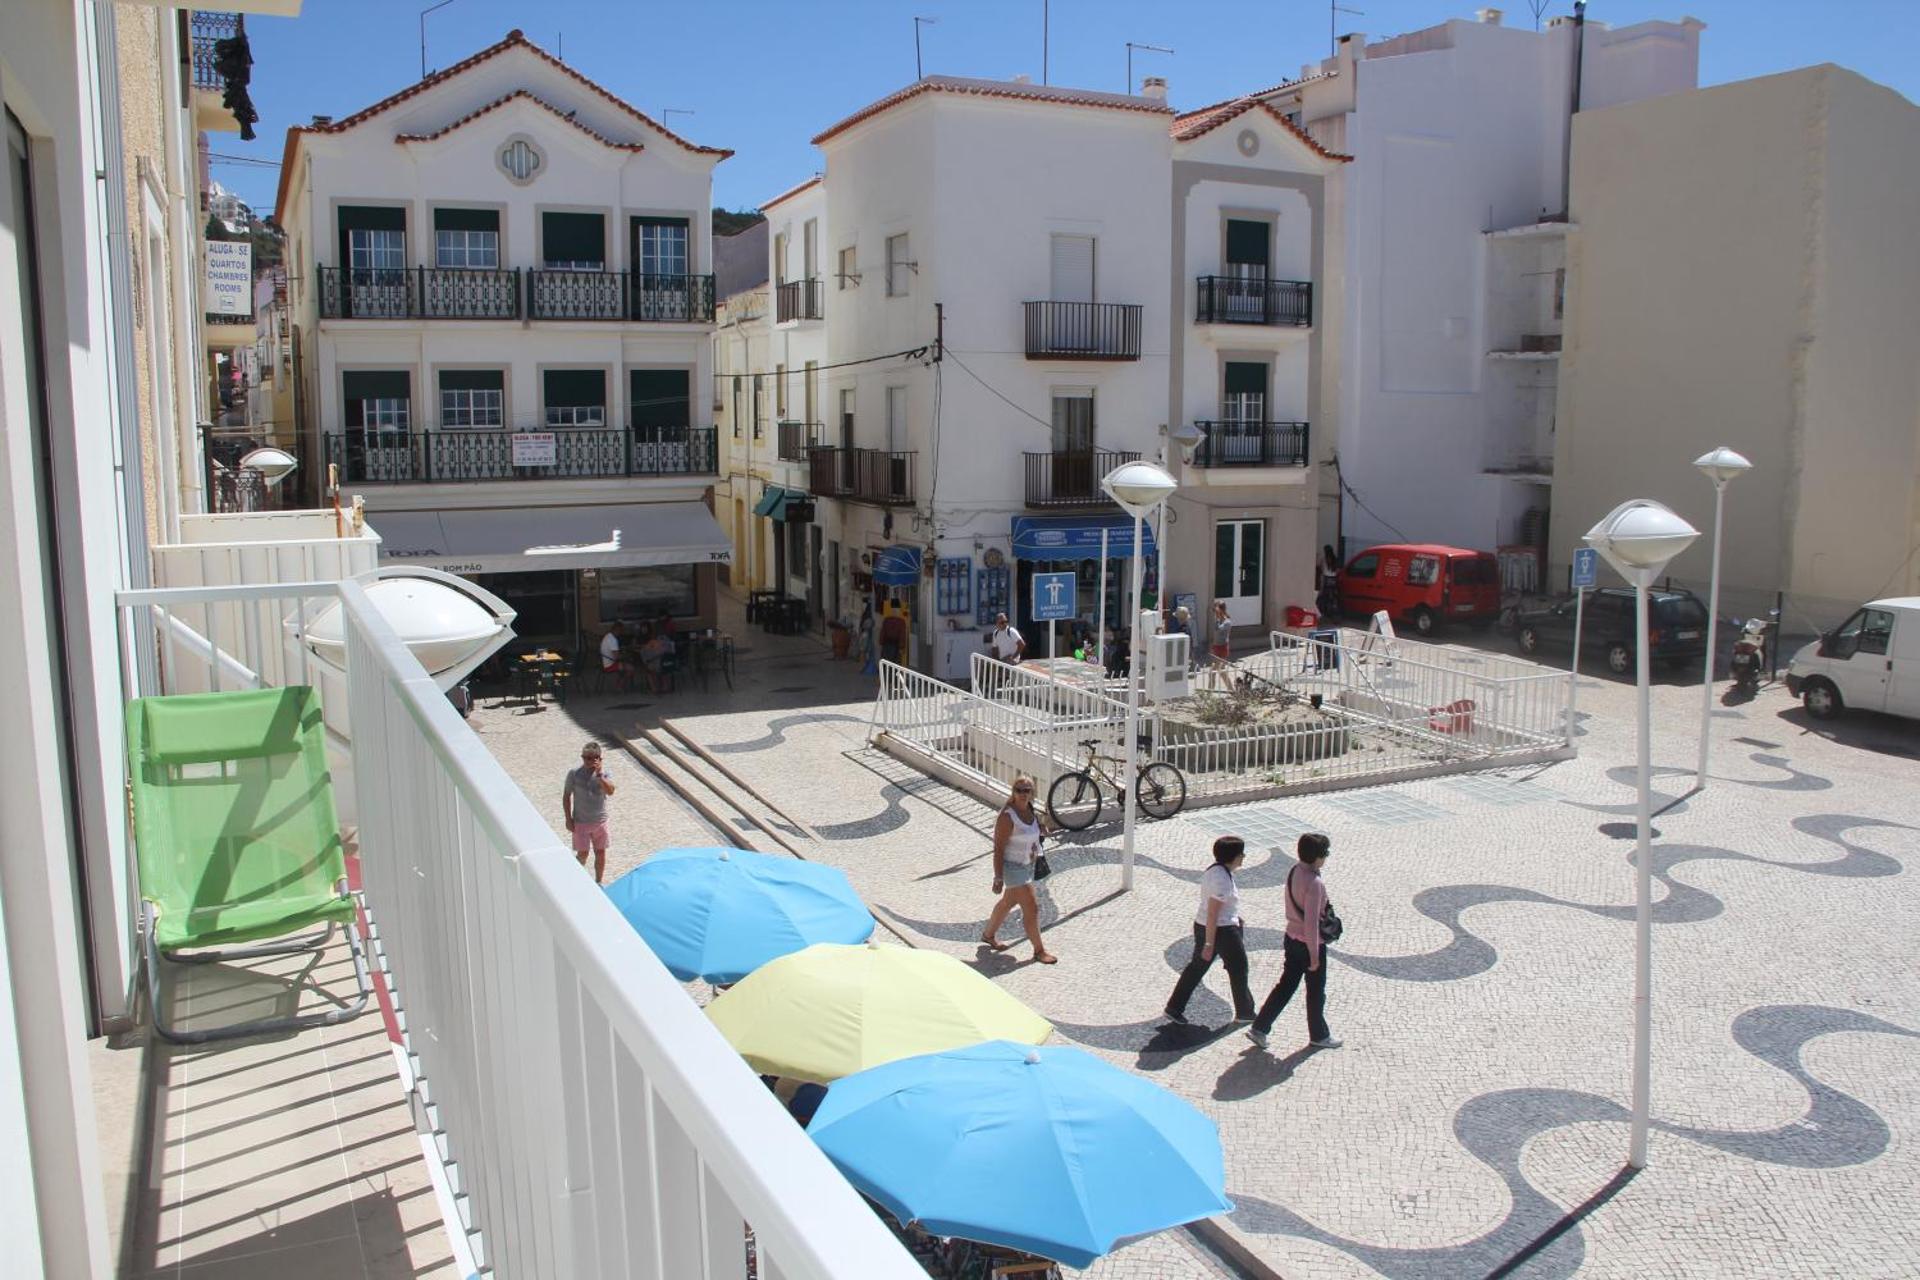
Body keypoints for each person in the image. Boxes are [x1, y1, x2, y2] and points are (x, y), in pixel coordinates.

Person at [1247, 833, 1342, 1050]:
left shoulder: (1294, 871)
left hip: (1291, 938)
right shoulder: (1315, 883)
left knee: (1286, 985)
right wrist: (1315, 956)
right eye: (1324, 853)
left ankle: (1260, 1027)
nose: (1326, 858)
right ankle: (1319, 1035)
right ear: (1316, 856)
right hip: (1310, 944)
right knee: (1316, 991)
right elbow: (1311, 923)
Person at [1164, 836, 1256, 1025]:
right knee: (1239, 968)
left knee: (1196, 968)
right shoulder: (1221, 880)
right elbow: (1214, 913)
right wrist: (1209, 943)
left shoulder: (1215, 871)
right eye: (1241, 854)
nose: (1244, 856)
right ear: (1233, 856)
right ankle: (1245, 1012)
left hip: (1207, 925)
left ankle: (1174, 1007)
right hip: (1221, 931)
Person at [980, 775, 1056, 964]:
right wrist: (998, 877)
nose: (1023, 794)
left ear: (1032, 793)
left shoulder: (1030, 810)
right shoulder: (1007, 817)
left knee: (1008, 902)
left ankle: (988, 935)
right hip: (1012, 868)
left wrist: (1042, 829)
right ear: (1013, 792)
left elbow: (1035, 830)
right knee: (1032, 907)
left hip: (1027, 864)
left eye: (1027, 790)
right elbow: (998, 848)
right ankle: (1039, 950)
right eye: (1019, 790)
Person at [562, 741, 617, 884]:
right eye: (586, 758)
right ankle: (574, 880)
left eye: (593, 758)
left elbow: (610, 791)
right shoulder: (574, 774)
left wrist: (600, 776)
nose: (589, 761)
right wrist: (568, 819)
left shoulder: (605, 774)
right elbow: (566, 796)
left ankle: (598, 882)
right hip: (581, 822)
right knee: (583, 854)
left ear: (600, 759)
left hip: (600, 822)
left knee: (600, 852)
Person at [638, 625, 673, 693]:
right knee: (663, 669)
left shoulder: (652, 642)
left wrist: (646, 661)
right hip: (670, 664)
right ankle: (665, 686)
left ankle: (654, 688)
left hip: (658, 664)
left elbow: (644, 652)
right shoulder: (668, 641)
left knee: (649, 670)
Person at [600, 621, 635, 685]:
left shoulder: (607, 636)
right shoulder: (613, 640)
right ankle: (619, 685)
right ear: (618, 630)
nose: (621, 633)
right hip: (609, 665)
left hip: (604, 662)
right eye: (621, 631)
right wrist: (627, 655)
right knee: (631, 668)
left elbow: (613, 652)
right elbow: (617, 657)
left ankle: (620, 683)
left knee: (624, 664)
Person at [1316, 545, 1341, 616]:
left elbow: (1320, 567)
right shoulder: (1335, 559)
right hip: (1333, 579)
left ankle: (1323, 610)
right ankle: (1332, 609)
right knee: (1332, 595)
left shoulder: (1324, 559)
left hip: (1326, 578)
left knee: (1324, 594)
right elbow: (1338, 570)